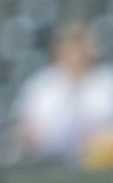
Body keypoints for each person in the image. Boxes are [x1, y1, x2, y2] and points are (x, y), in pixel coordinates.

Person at [14, 23, 113, 166]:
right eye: (68, 45)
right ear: (58, 49)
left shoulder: (107, 81)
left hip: (102, 165)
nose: (74, 53)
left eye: (78, 44)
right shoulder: (41, 86)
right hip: (50, 166)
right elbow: (24, 132)